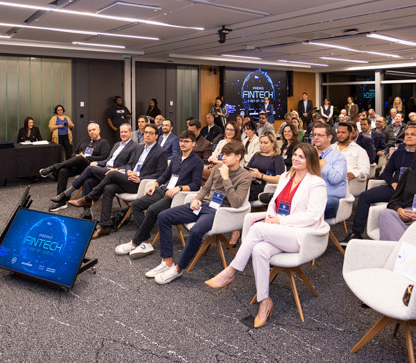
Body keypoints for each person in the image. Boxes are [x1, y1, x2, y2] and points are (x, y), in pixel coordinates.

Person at [204, 143, 328, 328]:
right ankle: (264, 302)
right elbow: (273, 203)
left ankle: (231, 271)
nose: (295, 158)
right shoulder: (286, 177)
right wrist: (271, 218)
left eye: (301, 156)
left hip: (302, 234)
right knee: (259, 250)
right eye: (295, 155)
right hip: (279, 230)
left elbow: (313, 216)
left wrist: (280, 221)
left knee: (257, 229)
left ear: (310, 160)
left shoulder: (316, 183)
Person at [148, 140, 251, 284]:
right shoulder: (218, 168)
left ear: (238, 157)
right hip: (203, 205)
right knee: (164, 216)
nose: (223, 158)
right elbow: (206, 188)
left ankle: (178, 269)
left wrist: (226, 178)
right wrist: (196, 199)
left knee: (196, 231)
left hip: (220, 212)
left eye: (228, 155)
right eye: (223, 155)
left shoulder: (244, 176)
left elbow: (237, 203)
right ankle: (167, 262)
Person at [115, 130, 204, 259]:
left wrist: (179, 188)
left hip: (177, 196)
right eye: (181, 141)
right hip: (164, 190)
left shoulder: (197, 162)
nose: (183, 144)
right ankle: (145, 241)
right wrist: (154, 185)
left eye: (186, 141)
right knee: (136, 205)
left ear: (193, 143)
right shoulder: (176, 157)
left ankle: (135, 242)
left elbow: (196, 185)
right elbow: (166, 175)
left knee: (152, 209)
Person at [69, 124, 168, 238]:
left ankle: (88, 198)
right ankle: (104, 226)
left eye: (151, 133)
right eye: (146, 132)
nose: (147, 135)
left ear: (156, 136)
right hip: (129, 179)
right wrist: (129, 172)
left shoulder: (161, 152)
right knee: (108, 188)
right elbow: (130, 163)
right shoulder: (139, 147)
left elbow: (160, 174)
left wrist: (139, 178)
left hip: (142, 184)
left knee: (112, 174)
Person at [340, 123, 416, 246]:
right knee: (365, 196)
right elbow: (386, 173)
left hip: (414, 192)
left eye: (413, 134)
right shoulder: (398, 153)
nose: (409, 136)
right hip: (395, 188)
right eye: (407, 134)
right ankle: (356, 233)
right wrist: (393, 182)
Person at [48, 123, 136, 213]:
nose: (123, 134)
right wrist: (95, 162)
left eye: (125, 132)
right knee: (84, 180)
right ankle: (86, 213)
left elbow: (130, 164)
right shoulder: (116, 144)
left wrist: (116, 169)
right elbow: (107, 160)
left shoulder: (132, 146)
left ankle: (66, 192)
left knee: (88, 167)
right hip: (97, 168)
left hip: (111, 172)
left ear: (130, 132)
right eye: (121, 132)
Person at [39, 122, 111, 195]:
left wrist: (86, 157)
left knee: (81, 158)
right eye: (89, 131)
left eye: (93, 130)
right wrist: (76, 156)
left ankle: (53, 168)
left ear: (99, 130)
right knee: (63, 171)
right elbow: (73, 154)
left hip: (91, 167)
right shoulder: (84, 141)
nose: (91, 132)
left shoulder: (103, 142)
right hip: (78, 166)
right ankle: (61, 198)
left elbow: (104, 157)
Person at [311, 123, 347, 219]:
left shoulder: (339, 157)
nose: (316, 138)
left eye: (320, 135)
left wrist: (318, 158)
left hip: (330, 197)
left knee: (319, 204)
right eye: (314, 135)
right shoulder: (308, 155)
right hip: (311, 195)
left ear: (329, 137)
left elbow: (335, 179)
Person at [246, 132, 286, 202]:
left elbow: (279, 179)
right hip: (250, 181)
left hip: (264, 186)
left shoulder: (277, 158)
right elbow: (247, 169)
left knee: (242, 192)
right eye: (261, 143)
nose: (262, 145)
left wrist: (260, 176)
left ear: (272, 143)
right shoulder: (257, 155)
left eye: (265, 143)